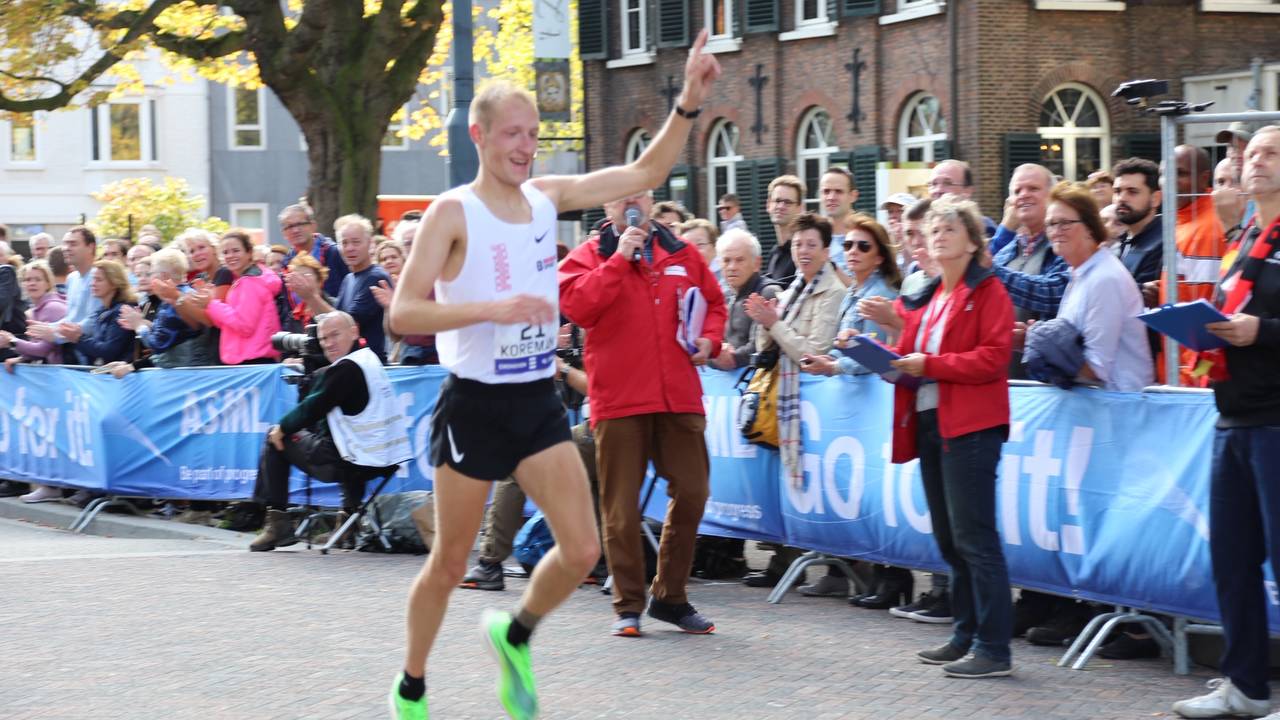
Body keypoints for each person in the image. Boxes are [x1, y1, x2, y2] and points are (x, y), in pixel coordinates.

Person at [386, 32, 720, 720]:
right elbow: (403, 313)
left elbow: (643, 172)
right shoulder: (453, 212)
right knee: (451, 564)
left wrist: (689, 98)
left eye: (533, 133)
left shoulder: (545, 197)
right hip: (474, 403)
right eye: (512, 133)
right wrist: (492, 308)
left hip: (535, 400)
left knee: (582, 547)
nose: (525, 145)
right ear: (478, 134)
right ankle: (412, 686)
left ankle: (515, 635)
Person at [561, 188, 727, 638]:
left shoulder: (683, 252)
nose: (631, 202)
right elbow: (577, 307)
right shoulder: (589, 255)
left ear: (652, 200)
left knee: (693, 492)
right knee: (620, 508)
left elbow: (714, 302)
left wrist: (710, 340)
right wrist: (618, 260)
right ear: (606, 206)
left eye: (640, 193)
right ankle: (628, 605)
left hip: (678, 394)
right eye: (620, 196)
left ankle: (670, 597)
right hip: (620, 397)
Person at [1171, 125, 1280, 720]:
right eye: (1251, 153)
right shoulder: (1247, 240)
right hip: (1232, 417)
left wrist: (1258, 332)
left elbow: (1260, 324)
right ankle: (1244, 686)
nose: (1253, 162)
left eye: (1269, 153)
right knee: (1233, 560)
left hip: (1275, 420)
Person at [886, 196, 1015, 679]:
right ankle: (966, 634)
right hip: (932, 423)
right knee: (950, 539)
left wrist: (929, 366)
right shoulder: (933, 295)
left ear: (972, 242)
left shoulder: (988, 292)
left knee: (975, 538)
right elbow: (911, 353)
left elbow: (992, 358)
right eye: (934, 231)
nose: (937, 237)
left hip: (972, 427)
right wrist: (886, 359)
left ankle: (994, 646)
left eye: (949, 230)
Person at [249, 311, 412, 551]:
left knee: (274, 436)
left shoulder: (345, 369)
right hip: (384, 460)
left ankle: (278, 525)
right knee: (344, 440)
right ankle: (347, 525)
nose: (328, 343)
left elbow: (312, 408)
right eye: (324, 338)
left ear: (354, 331)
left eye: (335, 335)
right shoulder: (369, 360)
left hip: (352, 463)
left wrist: (282, 429)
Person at [740, 213, 844, 588]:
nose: (802, 251)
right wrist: (766, 320)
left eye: (811, 244)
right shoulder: (792, 288)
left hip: (813, 399)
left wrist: (774, 324)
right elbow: (762, 346)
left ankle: (839, 566)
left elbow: (813, 352)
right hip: (786, 394)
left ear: (825, 250)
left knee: (822, 483)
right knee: (784, 482)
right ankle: (785, 556)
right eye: (798, 244)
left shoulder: (832, 291)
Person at [1034, 182, 1152, 391]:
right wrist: (1032, 341)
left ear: (1089, 228)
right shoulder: (1081, 273)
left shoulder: (1104, 279)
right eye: (1050, 224)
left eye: (1064, 223)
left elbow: (1095, 369)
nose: (1055, 231)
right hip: (1097, 410)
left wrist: (1042, 346)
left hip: (1119, 411)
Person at [289, 214, 391, 360]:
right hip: (350, 362)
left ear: (370, 243)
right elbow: (331, 317)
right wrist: (310, 297)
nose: (350, 248)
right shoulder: (349, 278)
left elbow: (343, 324)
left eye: (356, 242)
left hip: (369, 363)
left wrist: (311, 297)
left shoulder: (375, 277)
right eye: (344, 243)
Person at [109, 248, 215, 371]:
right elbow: (173, 337)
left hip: (184, 376)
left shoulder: (172, 303)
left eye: (151, 273)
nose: (149, 279)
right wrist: (145, 324)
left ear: (163, 276)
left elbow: (157, 344)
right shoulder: (189, 293)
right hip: (196, 370)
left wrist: (139, 326)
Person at [187, 230, 282, 365]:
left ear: (249, 252)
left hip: (253, 360)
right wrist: (209, 301)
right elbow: (227, 323)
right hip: (249, 359)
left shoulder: (251, 282)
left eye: (235, 251)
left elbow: (244, 325)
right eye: (225, 252)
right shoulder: (243, 280)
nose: (230, 256)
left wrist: (211, 303)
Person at [711, 229, 779, 371]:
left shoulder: (767, 292)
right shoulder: (722, 296)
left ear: (757, 263)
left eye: (740, 260)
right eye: (726, 260)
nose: (732, 267)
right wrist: (716, 352)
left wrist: (732, 358)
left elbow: (761, 345)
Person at [71, 260, 138, 366]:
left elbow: (109, 351)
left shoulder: (122, 311)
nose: (93, 284)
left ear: (114, 284)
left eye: (99, 280)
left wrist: (78, 339)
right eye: (93, 279)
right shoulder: (102, 310)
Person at [1112, 157, 1165, 287]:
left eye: (1132, 192)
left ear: (1155, 199)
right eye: (1117, 191)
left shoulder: (1164, 243)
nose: (1121, 198)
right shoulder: (1121, 240)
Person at [280, 203, 349, 297]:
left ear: (313, 225)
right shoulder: (286, 263)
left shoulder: (333, 253)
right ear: (284, 233)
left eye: (300, 224)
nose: (295, 230)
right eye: (290, 226)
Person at [764, 175, 806, 286]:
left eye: (787, 202)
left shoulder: (803, 252)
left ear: (800, 208)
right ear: (768, 205)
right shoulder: (774, 254)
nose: (781, 206)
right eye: (777, 201)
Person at [680, 218, 721, 287]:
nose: (693, 251)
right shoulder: (679, 278)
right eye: (688, 246)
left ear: (715, 247)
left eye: (700, 244)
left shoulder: (725, 279)